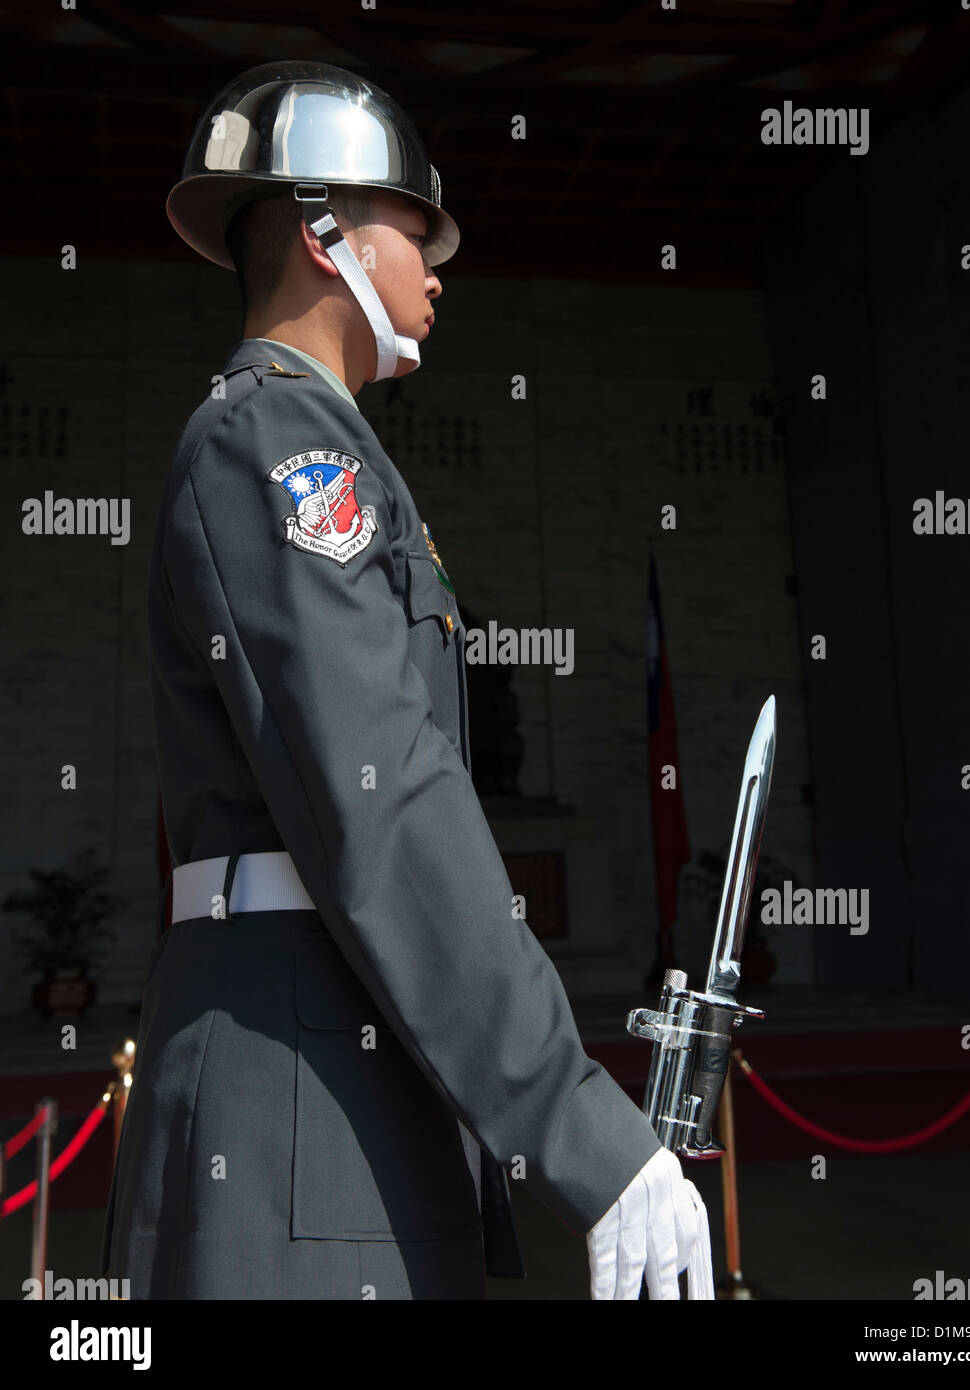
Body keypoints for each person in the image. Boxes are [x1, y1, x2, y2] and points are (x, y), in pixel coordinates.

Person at [100, 59, 713, 1301]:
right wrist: (578, 1122)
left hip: (353, 1054)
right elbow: (379, 800)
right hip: (294, 1091)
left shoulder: (324, 445)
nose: (437, 268)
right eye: (412, 230)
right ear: (326, 239)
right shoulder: (269, 440)